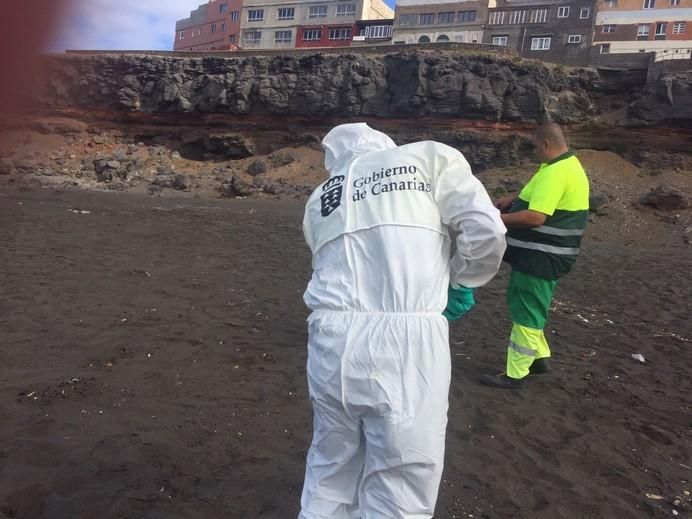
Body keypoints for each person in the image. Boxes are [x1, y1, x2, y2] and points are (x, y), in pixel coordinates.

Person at [299, 123, 506, 518]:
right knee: (403, 474)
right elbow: (486, 229)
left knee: (331, 462)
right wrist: (462, 280)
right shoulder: (426, 158)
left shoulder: (321, 195)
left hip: (329, 336)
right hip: (405, 340)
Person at [480, 122, 590, 389]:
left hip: (543, 256)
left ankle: (515, 374)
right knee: (525, 300)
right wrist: (513, 197)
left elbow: (534, 217)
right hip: (542, 255)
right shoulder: (561, 166)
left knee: (528, 309)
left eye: (534, 146)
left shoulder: (556, 173)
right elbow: (537, 191)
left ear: (546, 144)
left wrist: (494, 219)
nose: (532, 152)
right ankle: (539, 359)